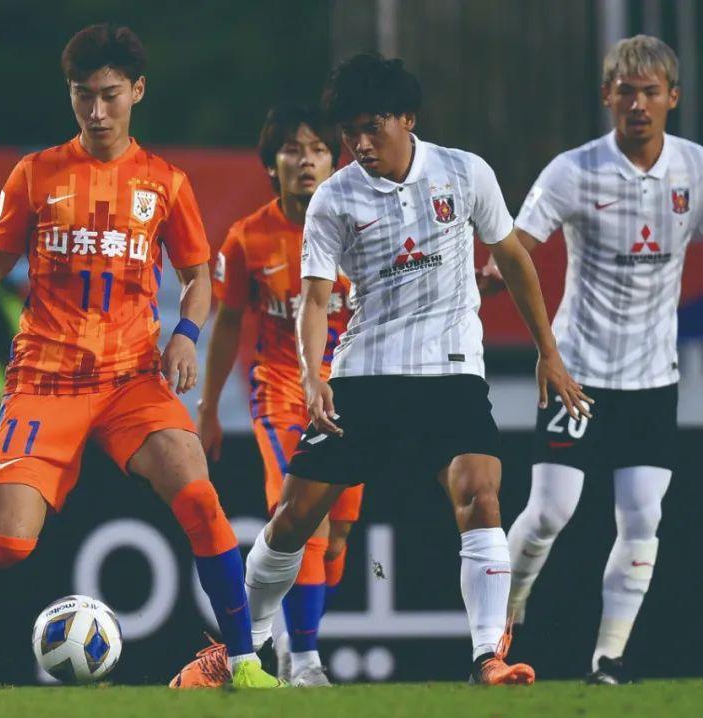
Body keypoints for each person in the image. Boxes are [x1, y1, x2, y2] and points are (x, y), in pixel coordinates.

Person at [0, 24, 281, 688]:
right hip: (46, 377)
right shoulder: (36, 173)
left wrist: (185, 334)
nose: (96, 111)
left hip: (131, 377)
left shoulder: (167, 183)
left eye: (109, 95)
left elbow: (197, 277)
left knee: (199, 496)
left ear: (137, 91)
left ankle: (244, 660)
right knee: (4, 548)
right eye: (83, 96)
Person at [239, 53, 591, 685]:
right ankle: (244, 646)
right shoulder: (334, 198)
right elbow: (314, 299)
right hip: (364, 375)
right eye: (351, 132)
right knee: (293, 520)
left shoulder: (465, 173)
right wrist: (314, 376)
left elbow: (513, 258)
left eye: (372, 127)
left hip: (452, 370)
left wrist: (549, 350)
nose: (360, 144)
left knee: (481, 494)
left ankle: (487, 657)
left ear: (407, 118)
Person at [499, 35, 703, 685]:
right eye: (626, 91)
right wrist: (485, 284)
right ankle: (500, 620)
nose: (638, 104)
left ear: (673, 98)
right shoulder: (573, 171)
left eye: (650, 92)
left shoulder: (694, 169)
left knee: (643, 517)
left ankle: (608, 658)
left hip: (652, 380)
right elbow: (515, 249)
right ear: (606, 97)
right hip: (577, 373)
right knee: (549, 512)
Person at [194, 104, 364, 686]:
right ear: (272, 164)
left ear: (335, 160)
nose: (306, 160)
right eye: (293, 149)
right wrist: (208, 408)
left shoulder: (359, 228)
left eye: (318, 149)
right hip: (281, 392)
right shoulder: (249, 237)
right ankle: (306, 659)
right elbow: (227, 324)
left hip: (352, 395)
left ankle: (295, 637)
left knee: (337, 537)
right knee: (302, 517)